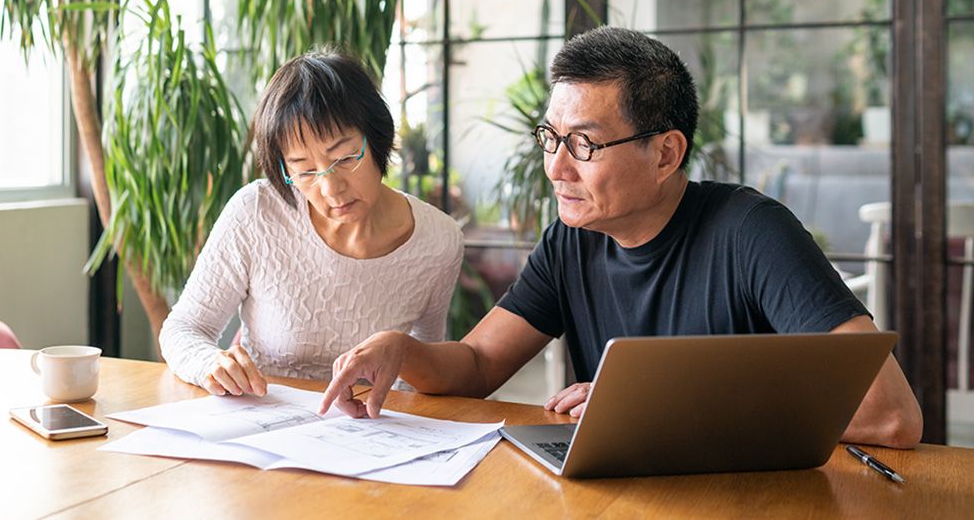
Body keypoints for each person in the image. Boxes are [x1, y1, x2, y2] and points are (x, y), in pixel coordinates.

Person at [320, 27, 923, 449]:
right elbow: (477, 364)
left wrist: (666, 412)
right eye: (550, 137)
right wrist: (402, 348)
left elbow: (892, 417)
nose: (557, 168)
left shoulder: (752, 233)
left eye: (584, 144)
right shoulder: (571, 241)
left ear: (666, 153)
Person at [159, 49, 463, 398]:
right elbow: (183, 328)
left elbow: (423, 373)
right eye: (304, 171)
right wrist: (210, 362)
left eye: (345, 158)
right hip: (263, 422)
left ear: (377, 137)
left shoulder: (439, 240)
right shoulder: (257, 211)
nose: (331, 188)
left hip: (370, 432)